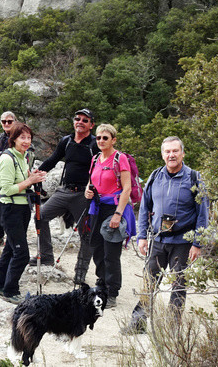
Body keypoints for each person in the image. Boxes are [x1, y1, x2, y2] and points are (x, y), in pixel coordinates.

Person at [123, 136, 209, 334]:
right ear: (162, 154)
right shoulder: (155, 176)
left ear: (182, 153)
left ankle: (172, 329)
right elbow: (144, 208)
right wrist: (142, 236)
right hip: (158, 240)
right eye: (167, 152)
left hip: (183, 242)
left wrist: (197, 243)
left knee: (178, 286)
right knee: (149, 282)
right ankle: (138, 324)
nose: (171, 155)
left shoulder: (195, 178)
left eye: (175, 151)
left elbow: (203, 214)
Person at [33, 109, 100, 285]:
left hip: (83, 195)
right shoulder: (67, 141)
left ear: (91, 125)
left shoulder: (94, 144)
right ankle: (47, 256)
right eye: (77, 118)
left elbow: (101, 167)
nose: (80, 122)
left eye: (85, 120)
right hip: (64, 191)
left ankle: (80, 272)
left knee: (87, 233)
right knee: (41, 215)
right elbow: (53, 159)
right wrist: (37, 173)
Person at [0, 122, 47, 304]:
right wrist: (30, 181)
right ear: (13, 139)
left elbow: (22, 180)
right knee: (21, 253)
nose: (26, 141)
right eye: (22, 137)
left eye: (29, 137)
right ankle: (11, 290)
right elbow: (6, 189)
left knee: (10, 248)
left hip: (22, 208)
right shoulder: (7, 159)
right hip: (10, 208)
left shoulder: (23, 157)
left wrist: (32, 176)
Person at [83, 124, 133, 309]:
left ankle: (112, 292)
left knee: (111, 252)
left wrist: (118, 215)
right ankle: (102, 283)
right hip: (97, 208)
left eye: (105, 137)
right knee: (97, 248)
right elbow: (91, 182)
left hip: (114, 209)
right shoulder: (95, 158)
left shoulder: (121, 159)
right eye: (98, 138)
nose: (101, 141)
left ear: (113, 139)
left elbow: (126, 188)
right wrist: (87, 191)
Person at [0, 111, 18, 246]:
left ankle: (9, 236)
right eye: (4, 122)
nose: (6, 124)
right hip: (1, 175)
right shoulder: (1, 137)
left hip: (16, 176)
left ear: (15, 122)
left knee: (11, 207)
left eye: (9, 121)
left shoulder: (20, 135)